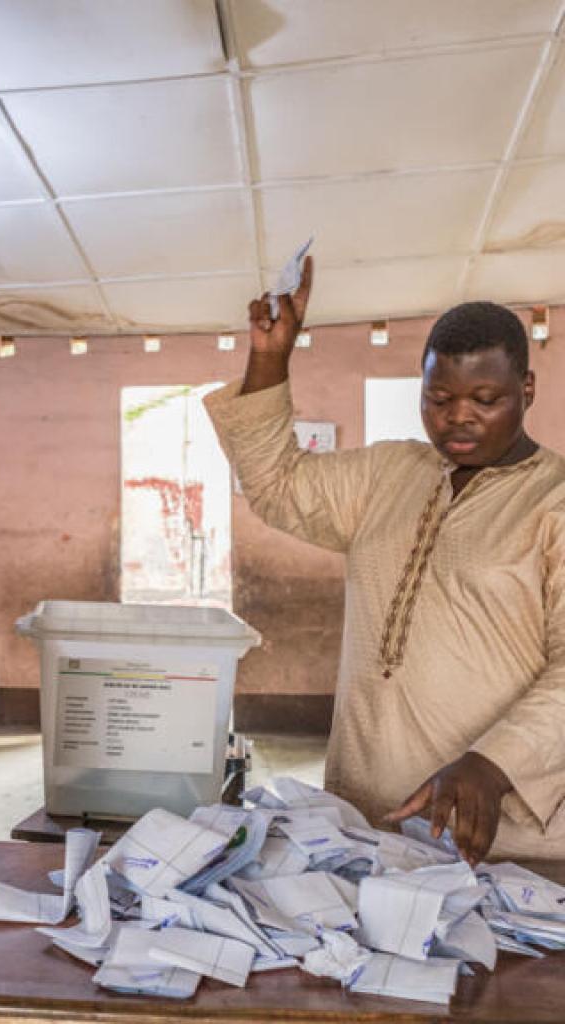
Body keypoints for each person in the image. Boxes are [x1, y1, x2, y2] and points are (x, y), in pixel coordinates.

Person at [204, 256, 565, 866]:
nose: (458, 416)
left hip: (504, 842)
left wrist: (494, 762)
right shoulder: (390, 473)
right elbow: (277, 484)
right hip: (362, 823)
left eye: (485, 398)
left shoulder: (553, 502)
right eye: (440, 397)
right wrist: (269, 357)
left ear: (525, 390)